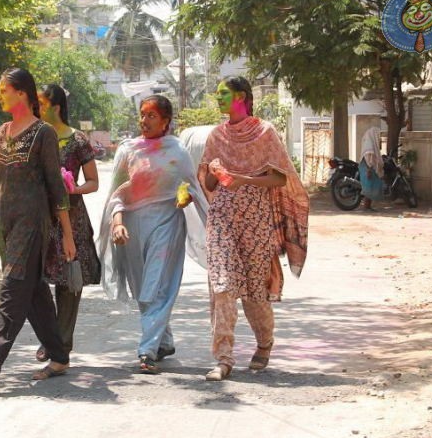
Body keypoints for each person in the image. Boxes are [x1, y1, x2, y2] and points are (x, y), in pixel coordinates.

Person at [0, 68, 76, 390]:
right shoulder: (1, 132)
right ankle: (59, 354)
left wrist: (66, 234)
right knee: (32, 292)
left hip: (33, 225)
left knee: (11, 289)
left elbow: (56, 188)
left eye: (4, 90)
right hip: (4, 226)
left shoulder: (43, 134)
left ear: (22, 93)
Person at [199, 76, 308, 381]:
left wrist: (245, 179)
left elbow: (280, 178)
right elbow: (208, 183)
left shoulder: (265, 132)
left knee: (255, 293)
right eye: (217, 94)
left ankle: (264, 343)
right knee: (222, 286)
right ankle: (223, 357)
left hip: (256, 219)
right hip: (221, 218)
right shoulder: (216, 136)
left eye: (224, 94)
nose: (218, 98)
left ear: (241, 97)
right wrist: (214, 171)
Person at [97, 95, 207, 374]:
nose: (144, 121)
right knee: (141, 287)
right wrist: (118, 222)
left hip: (167, 223)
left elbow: (191, 187)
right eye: (142, 115)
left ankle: (146, 350)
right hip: (132, 228)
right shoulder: (128, 151)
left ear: (166, 121)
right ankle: (164, 341)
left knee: (154, 287)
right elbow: (117, 195)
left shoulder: (177, 152)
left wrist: (185, 197)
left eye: (152, 116)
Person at [36, 84, 101, 362]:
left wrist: (73, 189)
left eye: (41, 103)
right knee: (37, 282)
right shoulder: (35, 136)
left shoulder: (77, 140)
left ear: (56, 107)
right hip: (39, 218)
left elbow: (94, 182)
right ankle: (51, 338)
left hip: (71, 220)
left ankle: (60, 345)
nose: (36, 109)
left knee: (68, 283)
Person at [359, 126, 384, 211]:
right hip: (368, 167)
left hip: (368, 166)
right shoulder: (369, 143)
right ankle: (366, 206)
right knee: (369, 188)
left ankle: (368, 206)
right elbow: (368, 156)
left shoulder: (370, 141)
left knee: (371, 187)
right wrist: (369, 169)